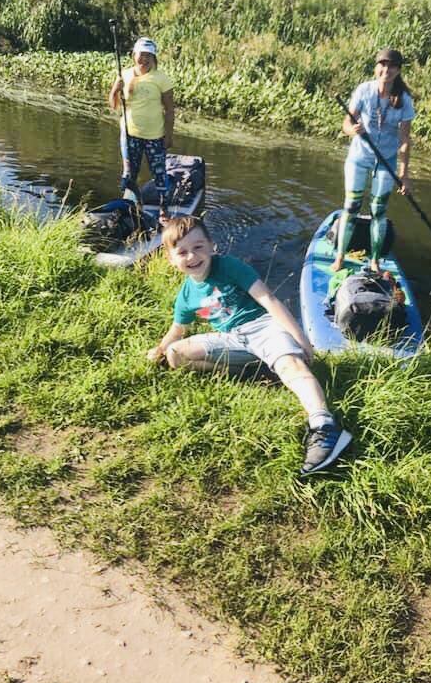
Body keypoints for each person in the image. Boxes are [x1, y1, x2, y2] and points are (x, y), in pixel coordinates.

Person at [147, 215, 353, 478]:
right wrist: (161, 348)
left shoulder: (229, 266)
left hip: (264, 327)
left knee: (292, 366)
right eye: (182, 252)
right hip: (232, 337)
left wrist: (301, 339)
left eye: (198, 247)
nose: (192, 257)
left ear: (211, 245)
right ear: (171, 259)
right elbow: (178, 330)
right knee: (176, 355)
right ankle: (261, 371)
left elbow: (269, 299)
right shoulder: (186, 295)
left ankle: (324, 426)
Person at [333, 48, 416, 273]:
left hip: (386, 160)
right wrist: (354, 130)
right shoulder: (363, 90)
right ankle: (339, 256)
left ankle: (375, 260)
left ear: (398, 70)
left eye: (391, 66)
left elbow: (405, 139)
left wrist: (404, 175)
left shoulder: (404, 100)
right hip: (359, 156)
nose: (386, 70)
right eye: (382, 64)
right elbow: (346, 125)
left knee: (378, 210)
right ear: (376, 67)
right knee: (351, 206)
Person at [108, 37, 174, 216]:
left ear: (153, 58)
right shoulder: (125, 74)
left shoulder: (161, 78)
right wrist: (115, 89)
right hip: (130, 134)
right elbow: (113, 105)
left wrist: (168, 135)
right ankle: (132, 205)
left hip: (155, 135)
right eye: (140, 55)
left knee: (159, 173)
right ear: (133, 55)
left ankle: (164, 209)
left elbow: (169, 109)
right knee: (129, 174)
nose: (144, 59)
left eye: (148, 55)